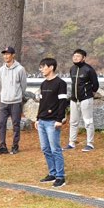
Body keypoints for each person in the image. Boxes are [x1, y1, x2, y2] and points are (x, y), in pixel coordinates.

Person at [35, 57, 69, 188]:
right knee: (45, 149)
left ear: (51, 67)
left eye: (43, 67)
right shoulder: (43, 84)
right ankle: (52, 173)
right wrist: (38, 118)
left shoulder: (60, 83)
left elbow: (62, 103)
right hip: (42, 121)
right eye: (40, 67)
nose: (41, 69)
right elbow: (42, 103)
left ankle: (60, 176)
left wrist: (59, 120)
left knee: (55, 150)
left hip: (53, 122)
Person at [0, 45, 28, 155]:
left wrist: (18, 96)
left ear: (13, 55)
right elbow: (2, 84)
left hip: (16, 102)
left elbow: (23, 85)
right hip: (4, 101)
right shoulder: (1, 70)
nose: (6, 56)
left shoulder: (20, 69)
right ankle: (2, 146)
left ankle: (15, 145)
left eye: (8, 54)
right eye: (4, 54)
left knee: (16, 124)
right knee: (1, 123)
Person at [66, 48, 100, 152]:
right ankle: (71, 143)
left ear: (83, 58)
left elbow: (95, 85)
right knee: (73, 121)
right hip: (74, 99)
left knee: (88, 122)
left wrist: (89, 94)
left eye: (78, 56)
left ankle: (90, 144)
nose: (75, 58)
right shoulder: (72, 69)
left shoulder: (89, 69)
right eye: (74, 56)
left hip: (85, 99)